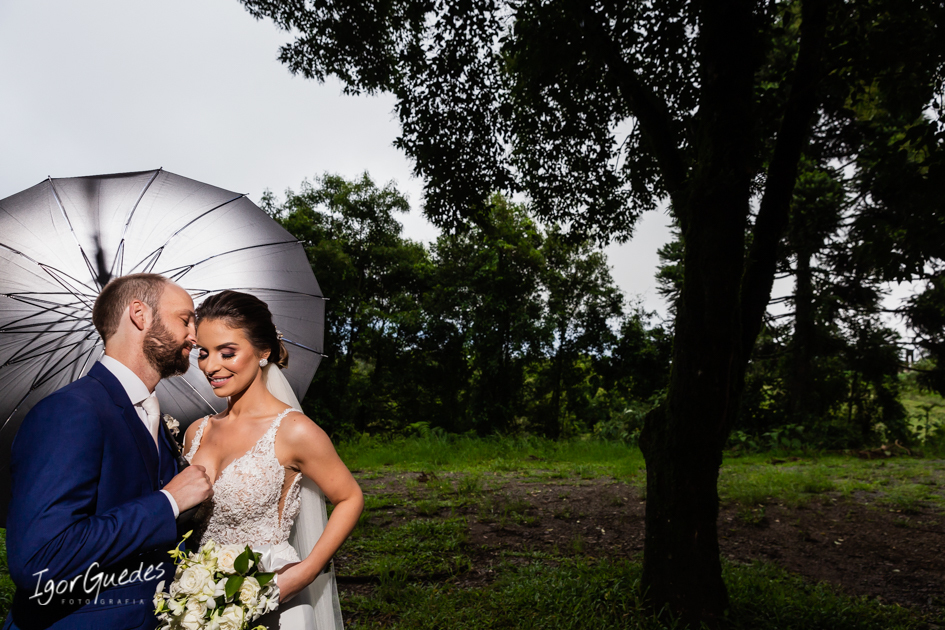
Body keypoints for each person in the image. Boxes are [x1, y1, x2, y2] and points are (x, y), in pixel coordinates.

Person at [2, 273, 215, 630]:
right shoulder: (71, 411)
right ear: (140, 315)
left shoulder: (156, 417)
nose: (194, 335)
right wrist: (168, 503)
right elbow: (39, 561)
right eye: (185, 319)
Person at [182, 290, 362, 630]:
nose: (210, 365)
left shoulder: (293, 430)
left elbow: (350, 497)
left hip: (272, 593)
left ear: (263, 351)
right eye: (203, 353)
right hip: (198, 596)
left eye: (227, 352)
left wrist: (306, 572)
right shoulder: (196, 431)